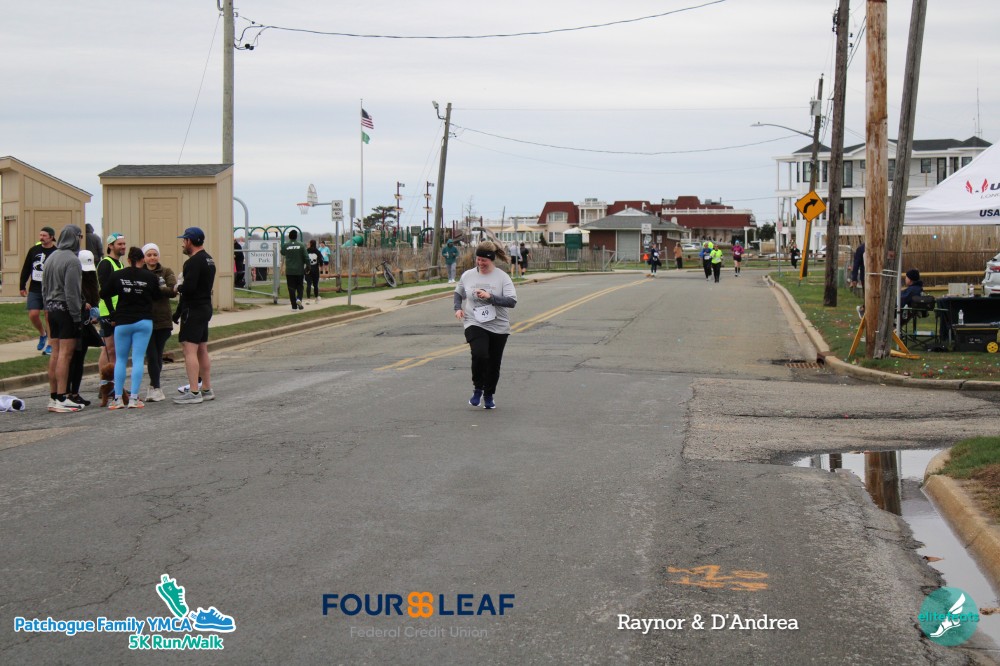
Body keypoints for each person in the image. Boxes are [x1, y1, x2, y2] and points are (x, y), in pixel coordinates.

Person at [454, 240, 517, 410]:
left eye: (484, 260)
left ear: (492, 259)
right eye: (478, 259)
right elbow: (458, 293)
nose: (480, 263)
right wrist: (457, 308)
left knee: (494, 363)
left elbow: (511, 302)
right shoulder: (468, 275)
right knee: (480, 354)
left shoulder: (502, 277)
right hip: (474, 321)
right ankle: (478, 389)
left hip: (498, 325)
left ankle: (489, 395)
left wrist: (490, 297)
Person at [100, 247, 162, 410]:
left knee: (121, 359)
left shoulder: (118, 275)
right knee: (138, 358)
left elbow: (103, 293)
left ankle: (118, 398)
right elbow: (157, 296)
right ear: (142, 260)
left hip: (123, 321)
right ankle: (134, 398)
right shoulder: (150, 276)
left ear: (128, 260)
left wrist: (113, 311)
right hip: (144, 320)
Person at [41, 225, 85, 413]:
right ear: (75, 238)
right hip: (66, 309)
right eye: (79, 237)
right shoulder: (72, 260)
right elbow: (72, 292)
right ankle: (62, 397)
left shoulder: (51, 257)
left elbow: (43, 287)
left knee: (55, 352)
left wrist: (47, 308)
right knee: (66, 354)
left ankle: (53, 397)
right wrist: (76, 317)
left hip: (51, 308)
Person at [173, 227, 216, 405]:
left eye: (184, 240)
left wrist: (178, 287)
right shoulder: (209, 260)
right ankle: (206, 388)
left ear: (190, 241)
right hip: (205, 307)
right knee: (202, 349)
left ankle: (193, 391)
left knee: (189, 349)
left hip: (193, 309)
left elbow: (189, 288)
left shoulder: (192, 262)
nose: (183, 244)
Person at [67, 250, 103, 407]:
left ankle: (75, 392)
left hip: (86, 323)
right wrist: (83, 304)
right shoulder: (73, 278)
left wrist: (94, 313)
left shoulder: (91, 281)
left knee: (80, 359)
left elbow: (95, 300)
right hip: (75, 323)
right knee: (73, 359)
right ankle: (68, 392)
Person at [142, 243, 177, 402]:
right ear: (144, 257)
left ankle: (154, 386)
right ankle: (155, 386)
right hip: (145, 318)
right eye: (149, 255)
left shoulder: (166, 271)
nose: (152, 258)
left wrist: (155, 287)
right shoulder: (140, 272)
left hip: (163, 319)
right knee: (151, 354)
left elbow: (172, 290)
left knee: (157, 354)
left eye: (155, 254)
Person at [18, 226, 57, 355]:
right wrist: (22, 285)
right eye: (40, 235)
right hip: (35, 288)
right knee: (33, 314)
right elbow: (26, 268)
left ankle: (50, 344)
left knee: (48, 315)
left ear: (51, 237)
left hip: (50, 289)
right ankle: (42, 334)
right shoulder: (34, 250)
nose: (41, 237)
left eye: (44, 235)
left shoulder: (56, 252)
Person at [97, 232, 127, 377]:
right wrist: (111, 312)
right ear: (110, 246)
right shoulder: (105, 263)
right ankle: (105, 380)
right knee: (108, 348)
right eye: (119, 244)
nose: (123, 246)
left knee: (116, 349)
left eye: (124, 244)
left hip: (119, 310)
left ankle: (114, 380)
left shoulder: (120, 264)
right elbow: (105, 290)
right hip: (108, 312)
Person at [281, 229, 308, 310]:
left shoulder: (286, 245)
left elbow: (282, 252)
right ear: (296, 236)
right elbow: (306, 257)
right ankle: (299, 299)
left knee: (291, 288)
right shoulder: (301, 245)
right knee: (300, 286)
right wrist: (308, 266)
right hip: (299, 270)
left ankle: (294, 306)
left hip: (289, 271)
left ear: (289, 236)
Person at [305, 239, 323, 303]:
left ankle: (308, 299)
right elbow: (321, 262)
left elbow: (304, 259)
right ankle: (316, 298)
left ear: (310, 244)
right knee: (315, 285)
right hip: (315, 270)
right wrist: (320, 266)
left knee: (308, 284)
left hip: (308, 269)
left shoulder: (306, 251)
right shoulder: (318, 252)